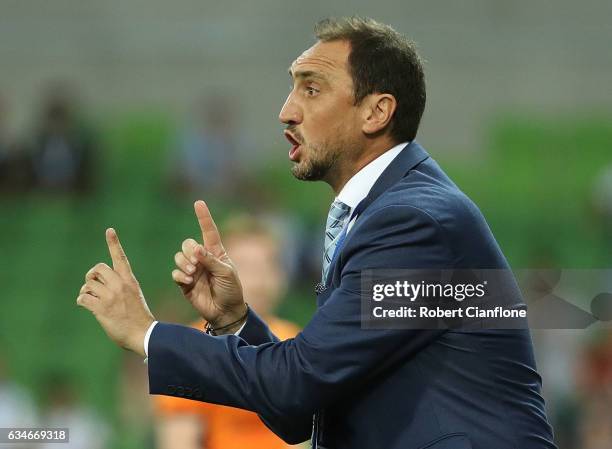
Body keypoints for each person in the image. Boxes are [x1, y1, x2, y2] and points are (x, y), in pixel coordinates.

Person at [77, 17, 557, 449]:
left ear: (376, 112)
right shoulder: (382, 213)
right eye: (292, 89)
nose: (286, 112)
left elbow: (298, 382)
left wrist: (148, 332)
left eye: (312, 89)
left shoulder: (414, 222)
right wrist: (234, 321)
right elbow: (301, 412)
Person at [153, 216, 301, 449]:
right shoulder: (191, 347)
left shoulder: (292, 338)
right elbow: (180, 440)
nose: (257, 280)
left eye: (267, 265)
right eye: (245, 267)